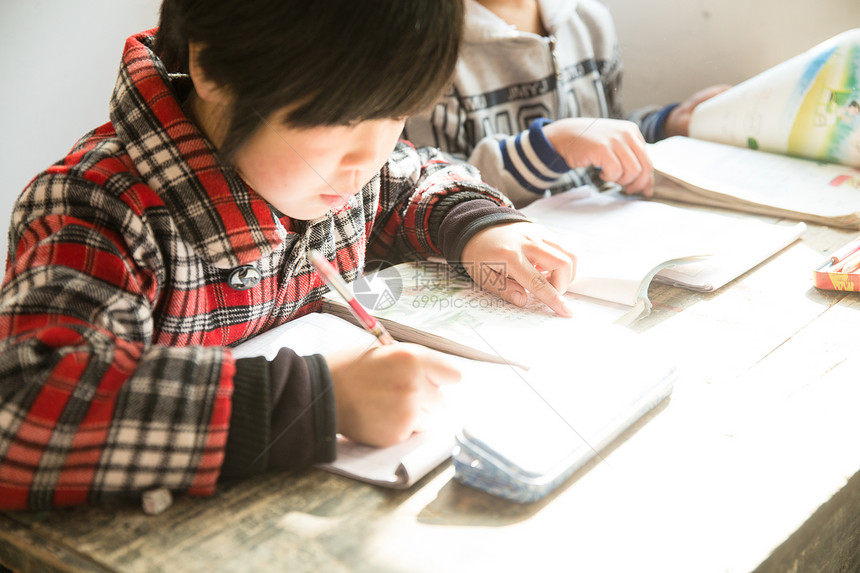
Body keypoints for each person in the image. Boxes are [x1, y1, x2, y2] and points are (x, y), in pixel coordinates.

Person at [0, 0, 577, 510]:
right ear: (214, 70)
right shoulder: (96, 210)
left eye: (395, 113)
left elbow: (415, 173)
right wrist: (313, 400)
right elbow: (22, 407)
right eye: (341, 121)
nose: (368, 158)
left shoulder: (343, 172)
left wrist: (480, 229)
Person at [403, 0, 730, 207]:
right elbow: (424, 190)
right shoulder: (421, 50)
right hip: (504, 253)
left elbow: (605, 126)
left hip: (601, 227)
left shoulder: (589, 19)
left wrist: (668, 125)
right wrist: (550, 148)